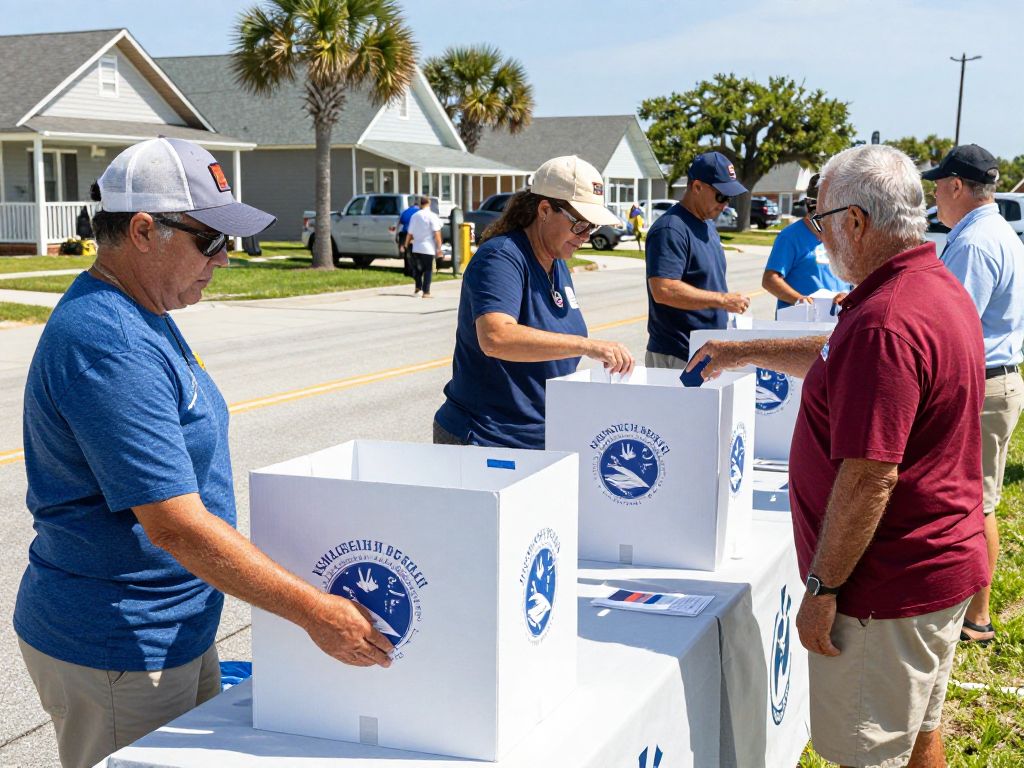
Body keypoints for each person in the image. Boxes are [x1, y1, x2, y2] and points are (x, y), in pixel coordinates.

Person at [15, 138, 393, 768]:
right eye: (211, 240)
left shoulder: (143, 312)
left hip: (175, 625)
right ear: (143, 230)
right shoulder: (109, 342)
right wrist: (316, 613)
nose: (223, 260)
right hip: (119, 643)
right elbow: (174, 526)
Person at [687, 144, 989, 768]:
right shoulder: (927, 286)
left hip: (883, 587)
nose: (820, 238)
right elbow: (839, 358)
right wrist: (743, 353)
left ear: (856, 222)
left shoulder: (887, 320)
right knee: (918, 735)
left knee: (867, 752)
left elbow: (870, 476)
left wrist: (823, 588)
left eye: (823, 223)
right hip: (935, 568)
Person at [433, 155, 634, 449]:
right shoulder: (502, 257)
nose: (586, 236)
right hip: (488, 438)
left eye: (592, 228)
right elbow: (496, 337)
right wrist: (587, 345)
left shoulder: (556, 260)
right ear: (544, 209)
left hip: (538, 435)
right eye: (580, 224)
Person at [924, 144, 1024, 645]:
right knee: (981, 499)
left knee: (974, 504)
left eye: (938, 186)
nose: (935, 196)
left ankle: (977, 618)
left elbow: (949, 325)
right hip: (998, 380)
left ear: (957, 187)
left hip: (981, 385)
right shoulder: (998, 230)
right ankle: (974, 611)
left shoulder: (973, 243)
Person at [645, 151, 750, 369]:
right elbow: (663, 289)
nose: (725, 205)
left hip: (704, 352)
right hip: (677, 355)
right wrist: (722, 300)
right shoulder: (670, 229)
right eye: (721, 195)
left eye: (729, 197)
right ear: (697, 187)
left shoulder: (708, 225)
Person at [762, 173, 851, 315]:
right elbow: (770, 280)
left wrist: (848, 296)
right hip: (800, 321)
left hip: (836, 320)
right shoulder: (790, 237)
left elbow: (853, 279)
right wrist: (799, 300)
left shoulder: (842, 237)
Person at [405, 196, 442, 297]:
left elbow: (410, 233)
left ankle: (418, 288)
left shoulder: (415, 216)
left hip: (416, 247)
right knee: (428, 269)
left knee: (418, 269)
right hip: (428, 247)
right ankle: (426, 292)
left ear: (420, 204)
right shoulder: (432, 216)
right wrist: (439, 248)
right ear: (429, 203)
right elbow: (437, 233)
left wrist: (405, 244)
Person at [398, 199, 419, 277]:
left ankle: (407, 271)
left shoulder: (405, 211)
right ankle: (414, 272)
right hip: (415, 234)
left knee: (407, 254)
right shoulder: (419, 212)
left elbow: (401, 222)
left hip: (405, 233)